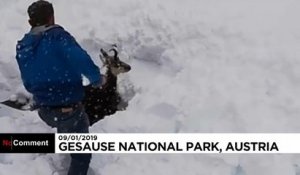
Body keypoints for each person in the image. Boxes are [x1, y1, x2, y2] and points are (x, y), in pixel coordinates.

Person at [15, 1, 102, 174]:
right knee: (82, 155)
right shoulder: (58, 37)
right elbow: (80, 59)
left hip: (45, 110)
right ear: (51, 17)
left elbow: (29, 80)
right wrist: (96, 78)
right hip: (69, 112)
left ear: (30, 22)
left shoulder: (23, 45)